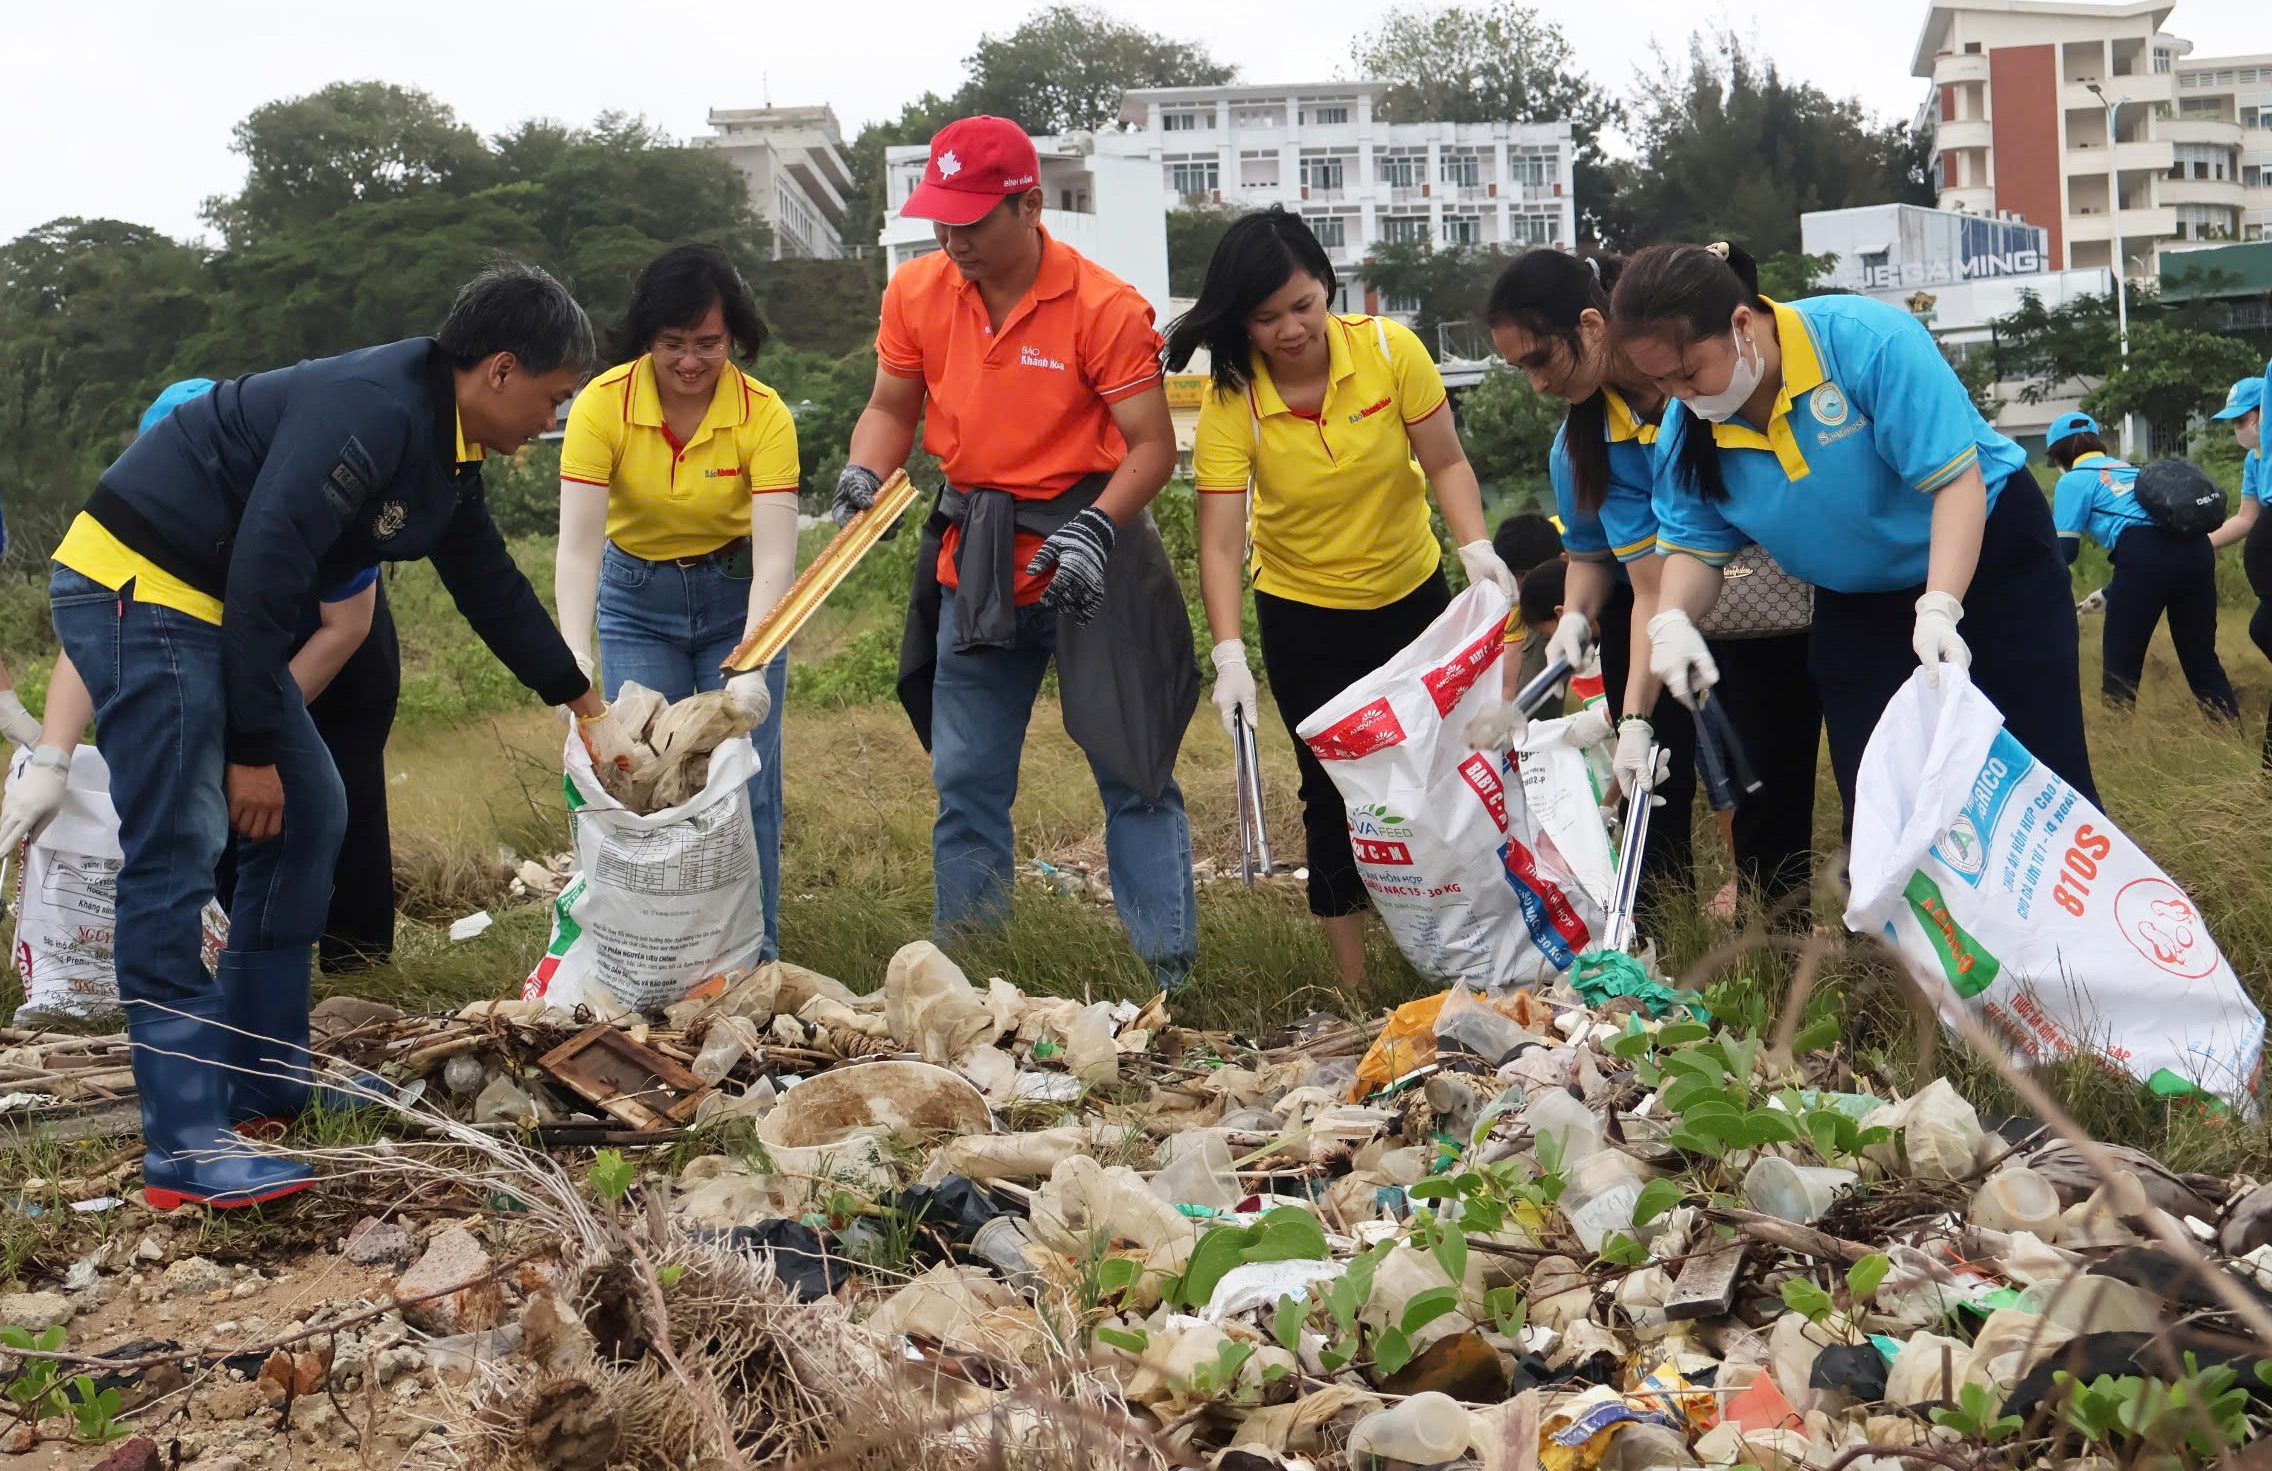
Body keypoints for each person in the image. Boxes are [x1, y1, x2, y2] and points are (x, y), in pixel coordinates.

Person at [34, 261, 626, 1209]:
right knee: (180, 845)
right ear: (502, 370)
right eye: (552, 399)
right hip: (138, 586)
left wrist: (583, 702)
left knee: (313, 812)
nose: (548, 423)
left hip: (212, 608)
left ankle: (262, 1076)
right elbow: (272, 552)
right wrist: (250, 748)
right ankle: (183, 1143)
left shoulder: (448, 442)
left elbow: (489, 585)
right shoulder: (375, 406)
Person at [831, 116, 1198, 992]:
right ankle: (968, 976)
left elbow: (1150, 446)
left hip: (1092, 553)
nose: (952, 240)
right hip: (981, 558)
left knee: (1135, 769)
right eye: (940, 222)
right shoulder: (918, 293)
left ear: (1030, 206)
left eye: (971, 221)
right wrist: (861, 470)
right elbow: (891, 407)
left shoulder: (1105, 307)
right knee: (965, 778)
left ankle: (1169, 980)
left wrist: (1098, 529)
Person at [1610, 241, 2095, 824]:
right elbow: (1694, 549)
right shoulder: (1687, 432)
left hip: (1991, 564)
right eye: (1660, 382)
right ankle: (1901, 914)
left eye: (1688, 372)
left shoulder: (1864, 341)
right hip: (1856, 599)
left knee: (2039, 762)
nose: (1679, 395)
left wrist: (1939, 607)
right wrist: (1673, 619)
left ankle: (2082, 905)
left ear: (1742, 325)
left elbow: (1956, 484)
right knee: (1878, 790)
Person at [1167, 208, 1512, 993]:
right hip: (1304, 614)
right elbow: (1219, 541)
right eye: (1266, 317)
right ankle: (1354, 985)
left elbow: (1448, 462)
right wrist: (1229, 655)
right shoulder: (1233, 399)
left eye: (1303, 306)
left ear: (1327, 287)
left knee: (1440, 776)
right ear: (1240, 322)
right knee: (1330, 790)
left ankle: (1461, 956)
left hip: (1411, 596)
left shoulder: (1393, 352)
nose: (1291, 329)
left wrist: (1475, 548)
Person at [1475, 247, 1820, 920]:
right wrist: (1579, 619)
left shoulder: (1708, 386)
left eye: (1541, 359)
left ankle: (1787, 930)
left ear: (1592, 324)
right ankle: (1659, 939)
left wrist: (1631, 713)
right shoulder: (1584, 441)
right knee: (1654, 783)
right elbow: (1621, 569)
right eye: (1521, 370)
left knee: (1765, 782)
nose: (1537, 385)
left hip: (1766, 601)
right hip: (1667, 606)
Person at [556, 245, 796, 961]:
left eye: (708, 344)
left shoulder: (763, 414)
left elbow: (776, 555)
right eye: (672, 345)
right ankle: (658, 961)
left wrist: (752, 661)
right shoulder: (603, 405)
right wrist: (574, 647)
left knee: (743, 783)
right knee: (647, 780)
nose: (690, 361)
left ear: (734, 339)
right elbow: (578, 547)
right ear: (646, 340)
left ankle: (757, 958)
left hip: (737, 599)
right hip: (637, 600)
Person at [2047, 411, 2237, 718]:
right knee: (2200, 658)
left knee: (2121, 666)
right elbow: (2162, 540)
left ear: (2057, 456)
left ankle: (2119, 747)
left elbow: (2064, 550)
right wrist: (2111, 592)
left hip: (2143, 555)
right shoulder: (2134, 471)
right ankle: (2230, 734)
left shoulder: (2073, 480)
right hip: (2197, 551)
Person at [2208, 375, 2272, 766]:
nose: (2239, 430)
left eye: (2242, 419)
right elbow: (2247, 517)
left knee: (2261, 627)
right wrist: (2203, 544)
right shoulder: (2255, 459)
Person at [1494, 512, 1566, 696]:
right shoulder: (1514, 592)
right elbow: (1508, 685)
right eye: (1512, 576)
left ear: (1563, 560)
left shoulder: (1593, 550)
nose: (1517, 585)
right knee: (1531, 691)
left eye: (1524, 576)